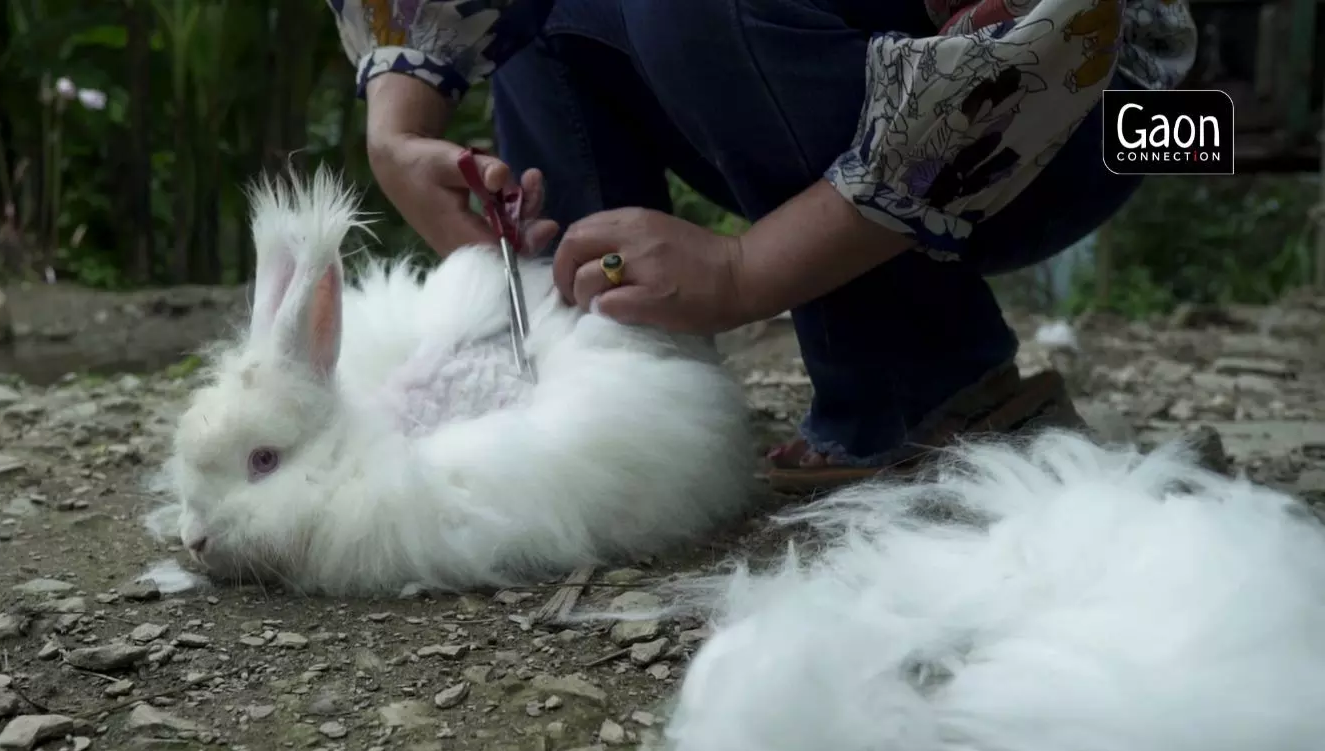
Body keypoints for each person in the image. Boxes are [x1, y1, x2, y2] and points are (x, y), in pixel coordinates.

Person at [326, 0, 1197, 493]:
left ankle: (927, 385)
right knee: (543, 16)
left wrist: (747, 269)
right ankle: (612, 395)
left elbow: (1053, 47)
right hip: (859, 77)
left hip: (1107, 113)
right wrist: (397, 125)